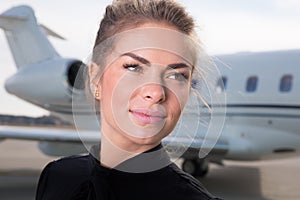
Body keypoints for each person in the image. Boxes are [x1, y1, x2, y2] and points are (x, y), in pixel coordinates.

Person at [36, 0, 223, 199]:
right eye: (133, 67)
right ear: (95, 78)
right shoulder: (56, 176)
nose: (157, 92)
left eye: (177, 75)